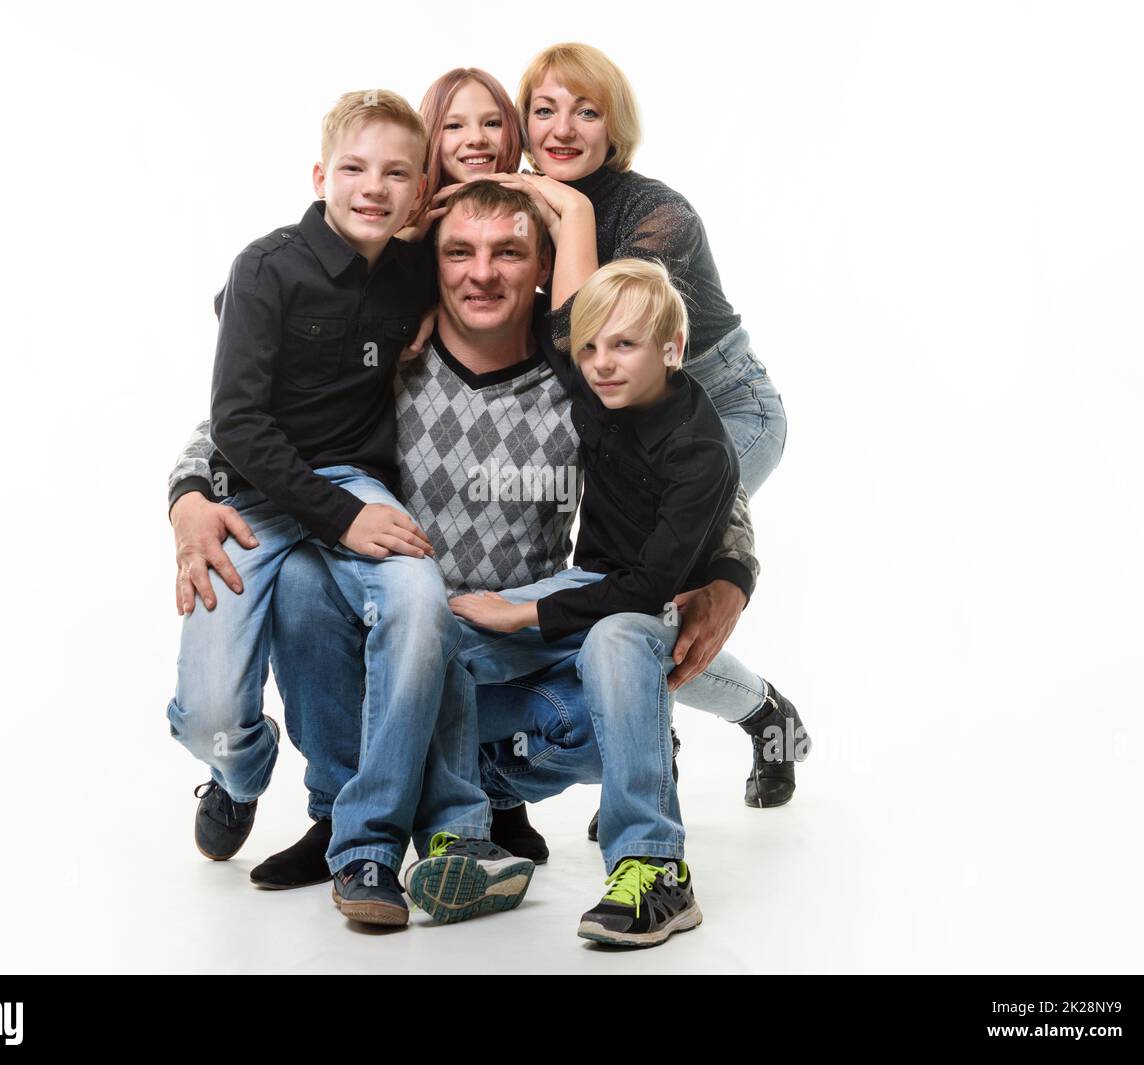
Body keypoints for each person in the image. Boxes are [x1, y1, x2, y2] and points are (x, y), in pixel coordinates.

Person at [167, 182, 774, 895]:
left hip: (504, 656)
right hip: (382, 651)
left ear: (544, 265)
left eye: (509, 253)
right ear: (434, 263)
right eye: (459, 252)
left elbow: (690, 457)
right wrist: (188, 494)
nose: (482, 272)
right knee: (301, 576)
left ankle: (460, 798)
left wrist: (733, 568)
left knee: (605, 703)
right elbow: (238, 424)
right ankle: (359, 806)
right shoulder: (388, 361)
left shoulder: (588, 377)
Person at [164, 89, 531, 929]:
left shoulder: (412, 269)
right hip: (250, 496)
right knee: (214, 713)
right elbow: (238, 423)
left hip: (355, 481)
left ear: (417, 191)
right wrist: (330, 516)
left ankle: (367, 843)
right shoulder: (267, 266)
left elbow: (482, 245)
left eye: (397, 174)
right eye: (356, 169)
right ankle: (236, 776)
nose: (374, 187)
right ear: (320, 174)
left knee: (419, 601)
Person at [411, 258, 796, 947]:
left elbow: (648, 588)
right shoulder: (595, 385)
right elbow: (551, 324)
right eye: (591, 349)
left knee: (615, 638)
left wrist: (524, 612)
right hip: (587, 581)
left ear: (673, 350)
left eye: (624, 345)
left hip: (649, 602)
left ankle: (654, 865)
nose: (601, 364)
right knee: (444, 637)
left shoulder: (702, 451)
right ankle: (471, 832)